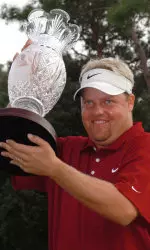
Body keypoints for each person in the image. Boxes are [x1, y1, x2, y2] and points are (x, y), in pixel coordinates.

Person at [0, 57, 150, 250]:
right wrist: (25, 88)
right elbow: (9, 144)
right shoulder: (65, 150)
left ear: (130, 102)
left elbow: (124, 210)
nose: (97, 111)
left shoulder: (144, 147)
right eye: (88, 102)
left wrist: (55, 168)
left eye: (108, 101)